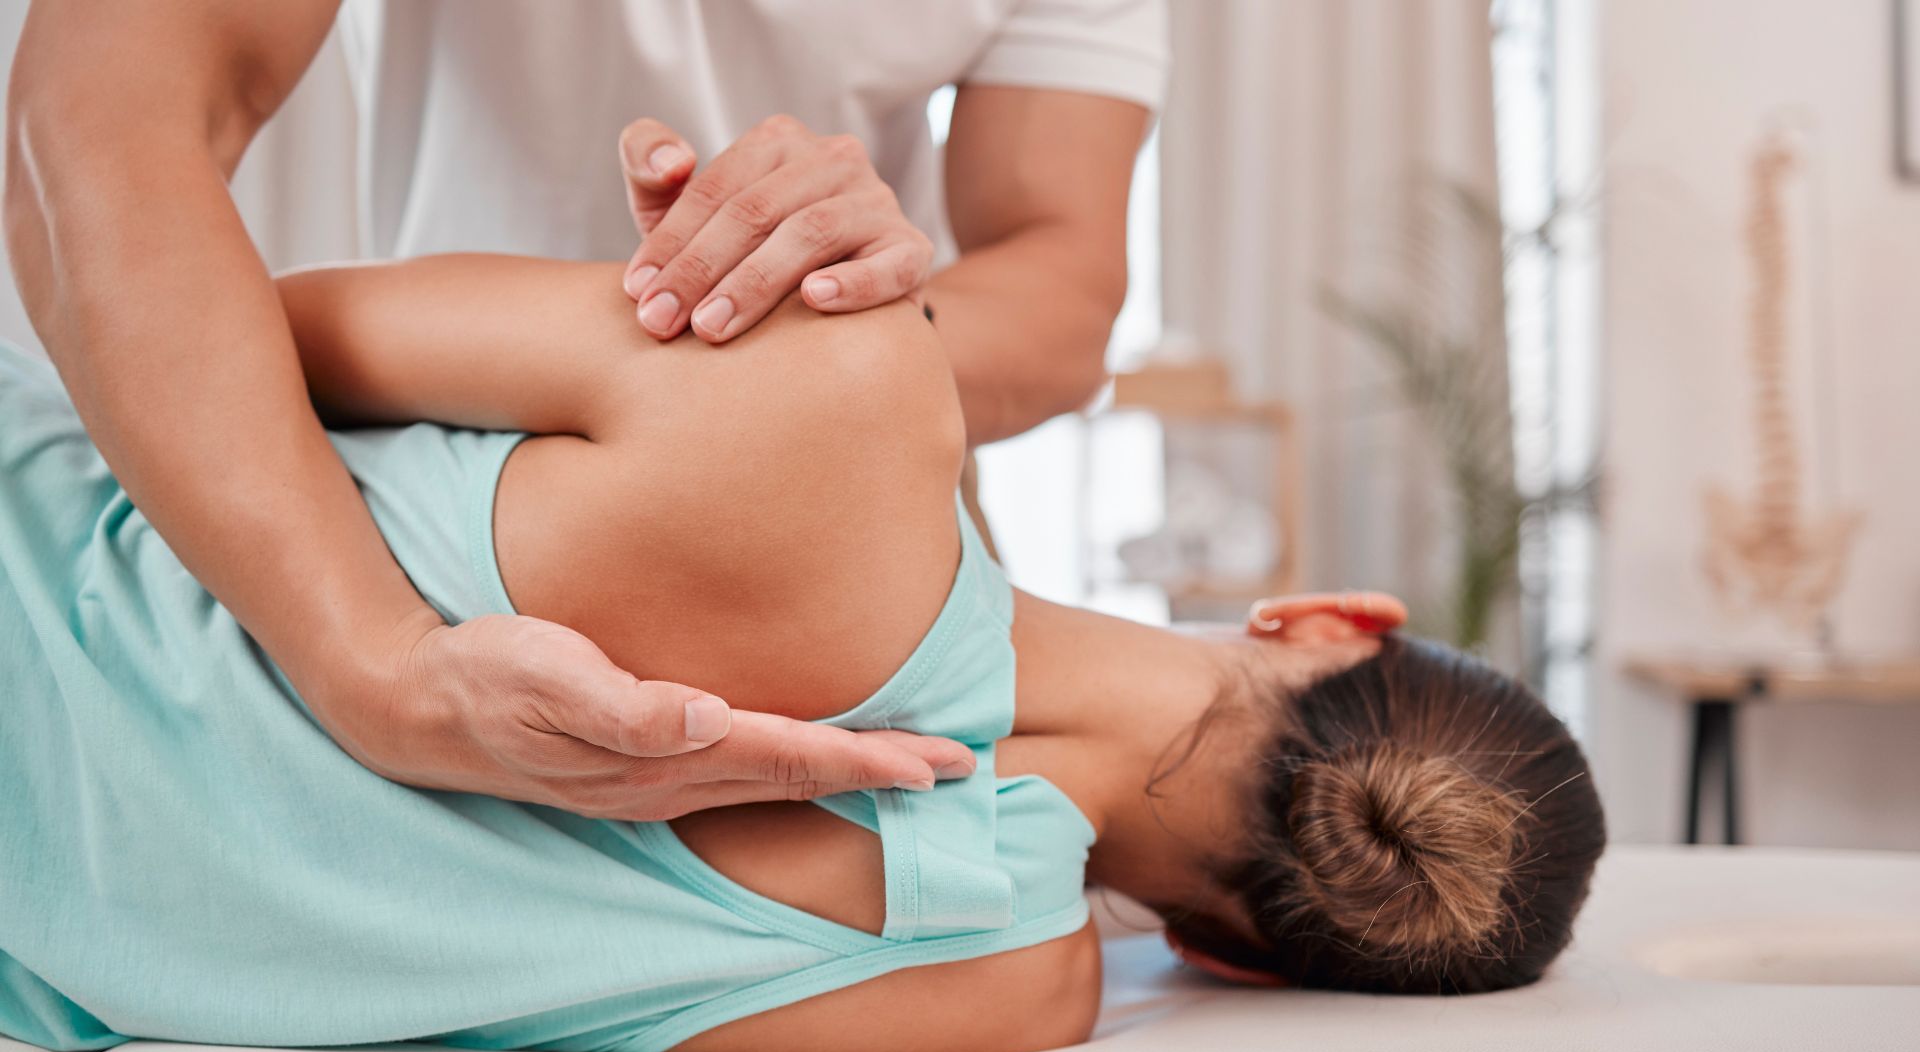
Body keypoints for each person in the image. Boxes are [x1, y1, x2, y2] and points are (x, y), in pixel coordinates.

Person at [0, 255, 1607, 1052]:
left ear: (1334, 622)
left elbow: (193, 334)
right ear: (1236, 959)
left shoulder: (832, 406)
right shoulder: (1005, 999)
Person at [2, 0, 1162, 819]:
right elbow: (100, 110)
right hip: (424, 496)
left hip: (839, 516)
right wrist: (371, 663)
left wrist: (820, 361)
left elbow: (1058, 285)